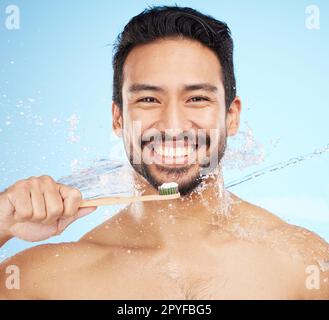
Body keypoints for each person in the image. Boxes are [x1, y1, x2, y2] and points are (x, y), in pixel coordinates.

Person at [0, 6, 328, 299]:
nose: (172, 125)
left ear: (231, 116)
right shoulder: (45, 281)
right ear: (118, 117)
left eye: (197, 98)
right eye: (148, 99)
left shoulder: (304, 266)